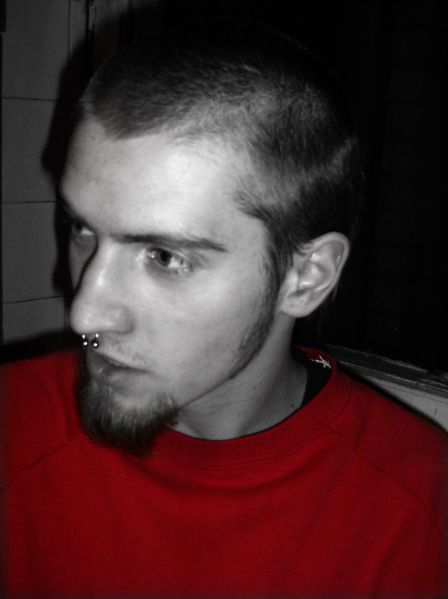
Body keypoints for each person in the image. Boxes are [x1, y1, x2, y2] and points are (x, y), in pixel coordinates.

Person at [1, 21, 447, 599]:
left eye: (165, 257)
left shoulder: (420, 510)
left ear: (305, 277)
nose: (85, 314)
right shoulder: (12, 427)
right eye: (81, 228)